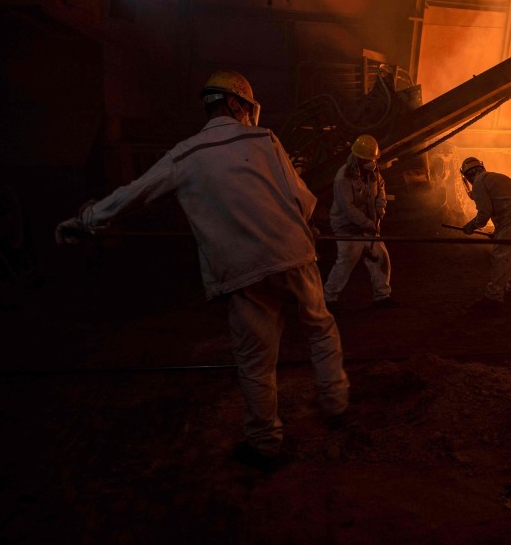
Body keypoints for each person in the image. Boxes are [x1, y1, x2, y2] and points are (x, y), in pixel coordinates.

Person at [54, 71, 349, 470]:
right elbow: (301, 198)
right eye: (247, 109)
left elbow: (132, 194)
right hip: (294, 253)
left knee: (256, 362)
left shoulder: (185, 155)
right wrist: (307, 226)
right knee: (320, 327)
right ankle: (336, 404)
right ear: (235, 104)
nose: (248, 116)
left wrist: (86, 220)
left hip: (241, 268)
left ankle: (265, 445)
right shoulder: (265, 140)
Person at [323, 134, 398, 310]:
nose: (371, 163)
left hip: (369, 225)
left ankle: (382, 296)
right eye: (368, 159)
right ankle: (328, 299)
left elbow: (380, 189)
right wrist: (367, 224)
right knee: (346, 261)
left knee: (380, 257)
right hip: (347, 227)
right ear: (358, 158)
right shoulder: (343, 177)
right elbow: (347, 208)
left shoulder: (373, 171)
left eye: (373, 159)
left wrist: (380, 208)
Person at [459, 157, 511, 310]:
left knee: (501, 254)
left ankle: (493, 297)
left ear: (467, 175)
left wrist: (471, 226)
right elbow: (502, 204)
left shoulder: (479, 183)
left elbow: (484, 213)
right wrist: (498, 231)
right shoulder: (496, 177)